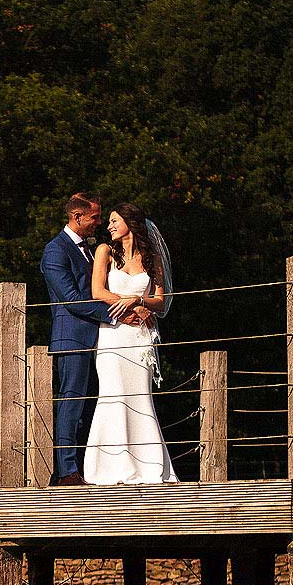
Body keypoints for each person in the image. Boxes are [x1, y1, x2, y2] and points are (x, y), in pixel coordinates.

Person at [85, 202, 179, 485]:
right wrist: (128, 306)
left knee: (140, 395)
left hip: (140, 338)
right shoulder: (105, 251)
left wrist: (139, 301)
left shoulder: (152, 258)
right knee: (112, 393)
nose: (109, 225)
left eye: (114, 220)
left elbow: (160, 301)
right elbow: (97, 291)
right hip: (114, 335)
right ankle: (110, 468)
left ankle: (149, 468)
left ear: (130, 222)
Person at [37, 193, 107, 486]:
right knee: (71, 404)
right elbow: (73, 300)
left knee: (91, 406)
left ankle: (83, 467)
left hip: (99, 340)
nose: (99, 223)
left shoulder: (89, 250)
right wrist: (116, 314)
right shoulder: (56, 251)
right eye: (95, 217)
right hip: (73, 339)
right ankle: (66, 472)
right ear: (77, 217)